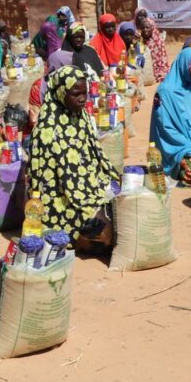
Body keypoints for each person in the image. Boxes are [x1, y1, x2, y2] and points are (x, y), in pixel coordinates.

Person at [28, 65, 118, 246]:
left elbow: (94, 157)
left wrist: (103, 185)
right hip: (62, 202)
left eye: (85, 93)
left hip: (88, 186)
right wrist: (89, 198)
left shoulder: (80, 117)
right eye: (76, 94)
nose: (83, 99)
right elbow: (47, 187)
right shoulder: (45, 131)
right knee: (100, 226)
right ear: (61, 93)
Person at [151, 48, 191, 187]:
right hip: (177, 146)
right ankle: (176, 170)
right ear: (183, 66)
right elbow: (166, 129)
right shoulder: (165, 92)